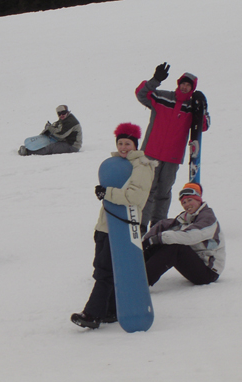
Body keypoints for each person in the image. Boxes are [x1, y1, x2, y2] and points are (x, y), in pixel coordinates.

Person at [71, 123, 156, 329]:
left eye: (128, 143)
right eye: (120, 143)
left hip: (123, 228)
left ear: (135, 144)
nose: (123, 147)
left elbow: (135, 197)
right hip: (105, 226)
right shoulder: (115, 164)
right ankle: (110, 310)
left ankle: (92, 314)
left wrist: (106, 192)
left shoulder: (142, 166)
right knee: (101, 268)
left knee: (106, 271)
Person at [135, 62, 210, 234]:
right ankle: (141, 225)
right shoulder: (162, 97)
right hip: (151, 153)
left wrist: (203, 108)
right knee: (148, 189)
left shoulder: (192, 107)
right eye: (182, 83)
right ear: (178, 84)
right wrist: (155, 80)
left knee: (164, 191)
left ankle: (158, 225)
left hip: (172, 157)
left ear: (192, 88)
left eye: (188, 85)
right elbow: (141, 94)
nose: (184, 87)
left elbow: (204, 126)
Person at [142, 183, 225, 287]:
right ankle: (133, 271)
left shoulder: (207, 218)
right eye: (184, 202)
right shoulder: (185, 218)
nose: (187, 205)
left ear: (198, 200)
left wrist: (158, 238)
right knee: (160, 243)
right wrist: (144, 242)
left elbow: (189, 236)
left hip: (209, 271)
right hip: (196, 262)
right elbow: (164, 225)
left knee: (175, 248)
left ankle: (141, 282)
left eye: (190, 200)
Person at [18, 105, 82, 156]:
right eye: (59, 114)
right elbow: (57, 126)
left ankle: (28, 152)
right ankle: (34, 146)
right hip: (65, 141)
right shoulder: (65, 119)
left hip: (72, 146)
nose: (61, 115)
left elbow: (61, 135)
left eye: (63, 113)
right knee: (50, 140)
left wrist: (50, 129)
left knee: (51, 147)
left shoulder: (71, 122)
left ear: (67, 112)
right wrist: (47, 130)